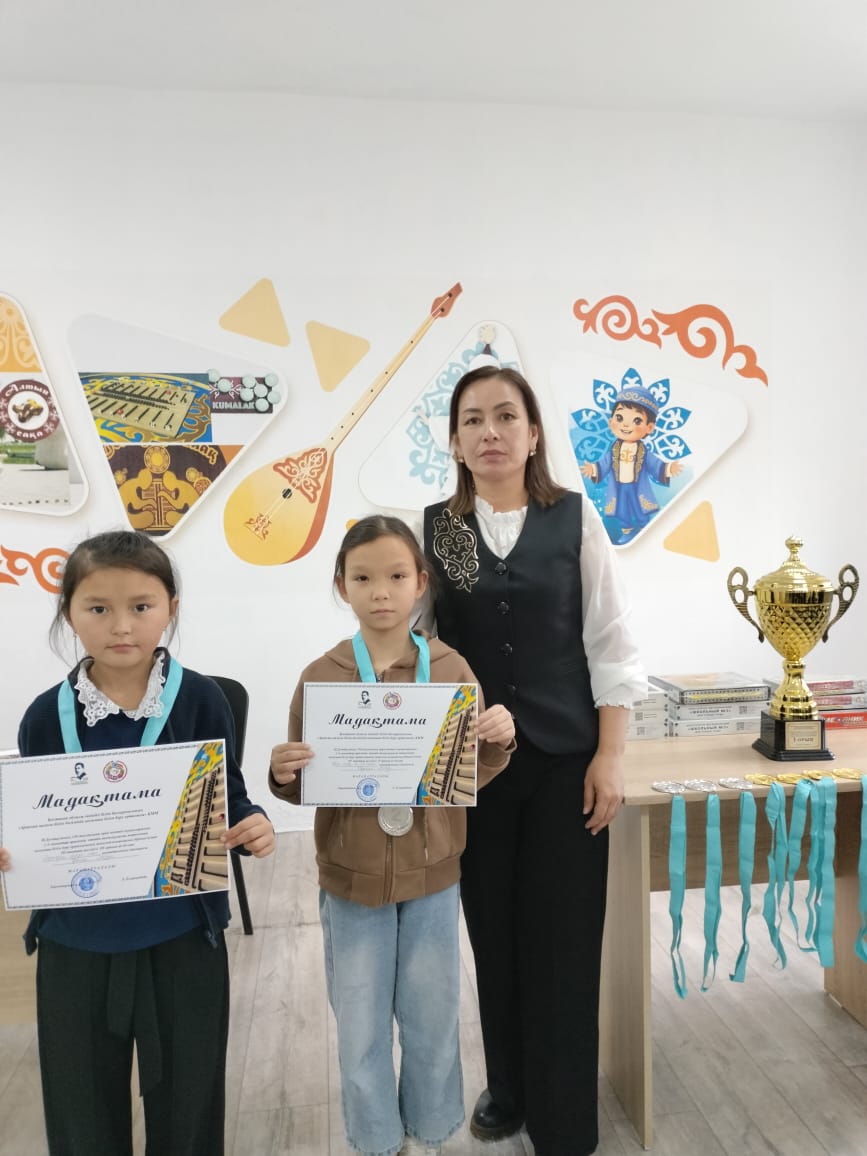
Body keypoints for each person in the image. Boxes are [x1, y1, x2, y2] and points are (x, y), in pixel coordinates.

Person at [422, 366, 645, 1156]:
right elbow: (418, 649)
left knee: (565, 939)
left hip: (564, 762)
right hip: (476, 770)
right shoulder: (441, 530)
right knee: (494, 931)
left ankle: (564, 1116)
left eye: (505, 415)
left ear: (533, 433)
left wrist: (609, 756)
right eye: (472, 419)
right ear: (454, 441)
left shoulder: (574, 520)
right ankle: (508, 1086)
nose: (489, 431)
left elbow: (611, 646)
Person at [0, 529, 275, 1156]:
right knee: (81, 1112)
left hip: (182, 932)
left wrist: (253, 822)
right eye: (98, 608)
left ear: (170, 608)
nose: (121, 626)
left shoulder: (201, 699)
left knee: (188, 1103)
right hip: (76, 939)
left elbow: (228, 795)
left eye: (141, 606)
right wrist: (13, 850)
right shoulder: (44, 715)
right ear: (69, 612)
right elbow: (31, 817)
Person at [269, 515, 515, 1156]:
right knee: (359, 1024)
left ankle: (431, 1132)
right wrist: (283, 773)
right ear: (342, 586)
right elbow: (302, 782)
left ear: (421, 584)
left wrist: (497, 741)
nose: (381, 591)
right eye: (363, 578)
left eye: (397, 576)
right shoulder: (321, 676)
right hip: (350, 881)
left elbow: (471, 771)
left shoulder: (451, 668)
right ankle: (377, 1140)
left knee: (433, 1018)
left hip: (433, 875)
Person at [580, 377, 683, 538]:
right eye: (619, 418)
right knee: (622, 509)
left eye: (636, 420)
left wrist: (668, 468)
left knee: (639, 508)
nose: (626, 425)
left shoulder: (642, 450)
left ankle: (644, 529)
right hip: (619, 486)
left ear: (649, 427)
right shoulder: (615, 448)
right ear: (611, 421)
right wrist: (593, 469)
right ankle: (626, 531)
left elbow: (655, 464)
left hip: (637, 487)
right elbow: (605, 463)